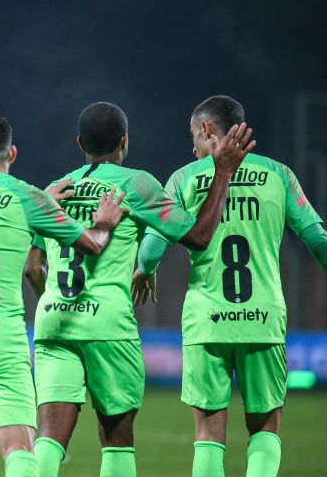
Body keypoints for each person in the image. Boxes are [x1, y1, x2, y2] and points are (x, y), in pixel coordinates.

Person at [25, 102, 254, 477]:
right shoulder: (135, 184)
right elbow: (199, 236)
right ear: (124, 141)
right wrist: (224, 172)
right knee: (117, 440)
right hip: (107, 325)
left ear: (80, 143)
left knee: (49, 437)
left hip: (53, 321)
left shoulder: (55, 189)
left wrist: (55, 301)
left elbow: (32, 268)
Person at [0, 114, 126, 477]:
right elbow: (93, 244)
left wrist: (39, 203)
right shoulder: (28, 198)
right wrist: (105, 222)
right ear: (12, 153)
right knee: (19, 449)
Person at [133, 95, 327, 477]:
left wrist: (145, 269)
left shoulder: (185, 178)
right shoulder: (279, 174)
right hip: (263, 320)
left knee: (208, 434)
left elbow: (152, 247)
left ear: (207, 129)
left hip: (207, 322)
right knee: (265, 429)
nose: (193, 147)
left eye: (193, 135)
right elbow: (317, 241)